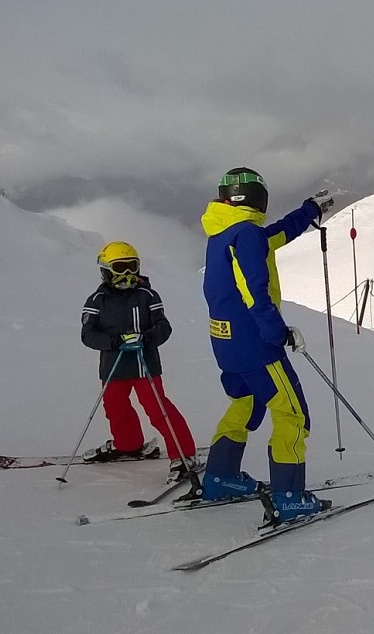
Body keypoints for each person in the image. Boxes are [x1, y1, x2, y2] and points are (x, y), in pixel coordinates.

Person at [199, 166, 334, 524]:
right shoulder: (245, 235)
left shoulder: (223, 230)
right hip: (255, 344)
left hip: (225, 342)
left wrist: (308, 212)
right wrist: (278, 332)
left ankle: (219, 477)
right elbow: (253, 292)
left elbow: (272, 236)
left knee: (244, 403)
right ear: (259, 198)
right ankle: (289, 498)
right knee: (292, 413)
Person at [81, 241, 198, 483]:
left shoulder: (147, 295)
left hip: (145, 365)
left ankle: (184, 454)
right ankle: (128, 444)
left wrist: (146, 338)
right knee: (115, 408)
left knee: (158, 409)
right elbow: (88, 335)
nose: (127, 274)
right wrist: (114, 342)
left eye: (132, 267)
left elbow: (164, 327)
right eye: (120, 267)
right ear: (106, 270)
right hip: (114, 366)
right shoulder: (97, 300)